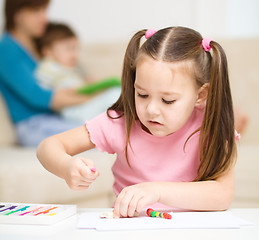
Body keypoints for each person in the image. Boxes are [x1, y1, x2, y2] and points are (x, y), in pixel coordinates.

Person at [37, 27, 239, 218]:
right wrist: (66, 166)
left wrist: (156, 191)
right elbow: (48, 147)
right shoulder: (120, 123)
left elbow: (222, 194)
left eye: (167, 100)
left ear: (200, 95)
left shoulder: (210, 126)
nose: (151, 109)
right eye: (142, 94)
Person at [0, 0, 117, 147]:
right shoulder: (6, 49)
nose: (44, 18)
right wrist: (97, 91)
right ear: (17, 14)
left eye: (44, 10)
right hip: (34, 125)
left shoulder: (38, 45)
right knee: (102, 136)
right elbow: (40, 97)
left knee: (110, 129)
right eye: (37, 11)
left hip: (57, 119)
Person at [36, 22, 121, 123]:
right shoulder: (49, 66)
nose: (74, 54)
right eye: (69, 49)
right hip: (73, 110)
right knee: (114, 95)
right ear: (48, 51)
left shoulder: (73, 69)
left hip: (83, 105)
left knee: (116, 92)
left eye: (76, 48)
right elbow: (43, 92)